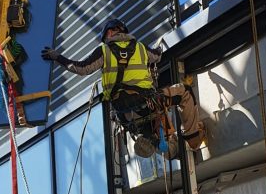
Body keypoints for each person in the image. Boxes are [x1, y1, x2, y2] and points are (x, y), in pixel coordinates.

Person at [41, 17, 204, 158]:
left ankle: (161, 145)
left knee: (150, 129)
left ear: (109, 33)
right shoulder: (140, 47)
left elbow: (81, 68)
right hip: (147, 104)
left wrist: (57, 57)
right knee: (184, 92)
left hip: (123, 112)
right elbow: (157, 56)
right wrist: (160, 48)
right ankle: (194, 140)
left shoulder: (103, 51)